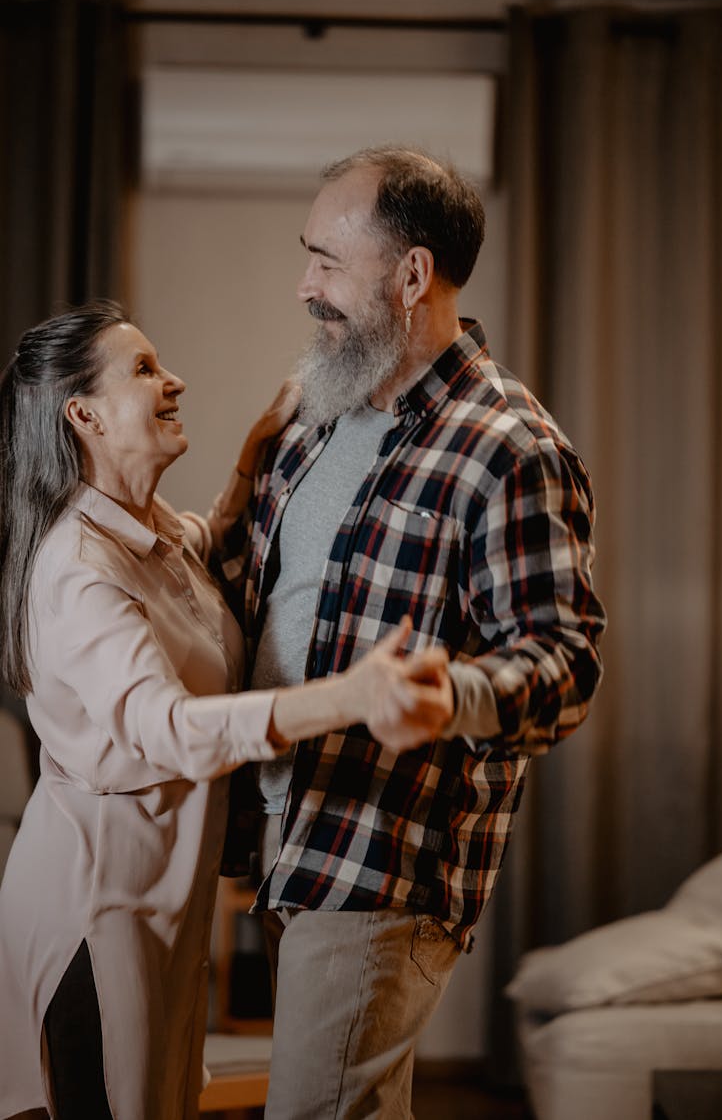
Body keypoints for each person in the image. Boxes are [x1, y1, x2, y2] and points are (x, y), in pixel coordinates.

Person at [217, 146, 607, 1118]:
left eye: (326, 261)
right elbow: (261, 593)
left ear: (412, 275)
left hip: (385, 858)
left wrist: (452, 698)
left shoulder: (510, 450)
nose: (304, 285)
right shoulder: (312, 413)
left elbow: (564, 665)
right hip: (278, 834)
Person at [0, 302, 454, 1120]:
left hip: (157, 900)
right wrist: (345, 697)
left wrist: (253, 453)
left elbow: (200, 551)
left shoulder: (145, 530)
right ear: (85, 414)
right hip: (94, 913)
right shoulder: (77, 568)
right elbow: (167, 729)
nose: (173, 380)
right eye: (143, 370)